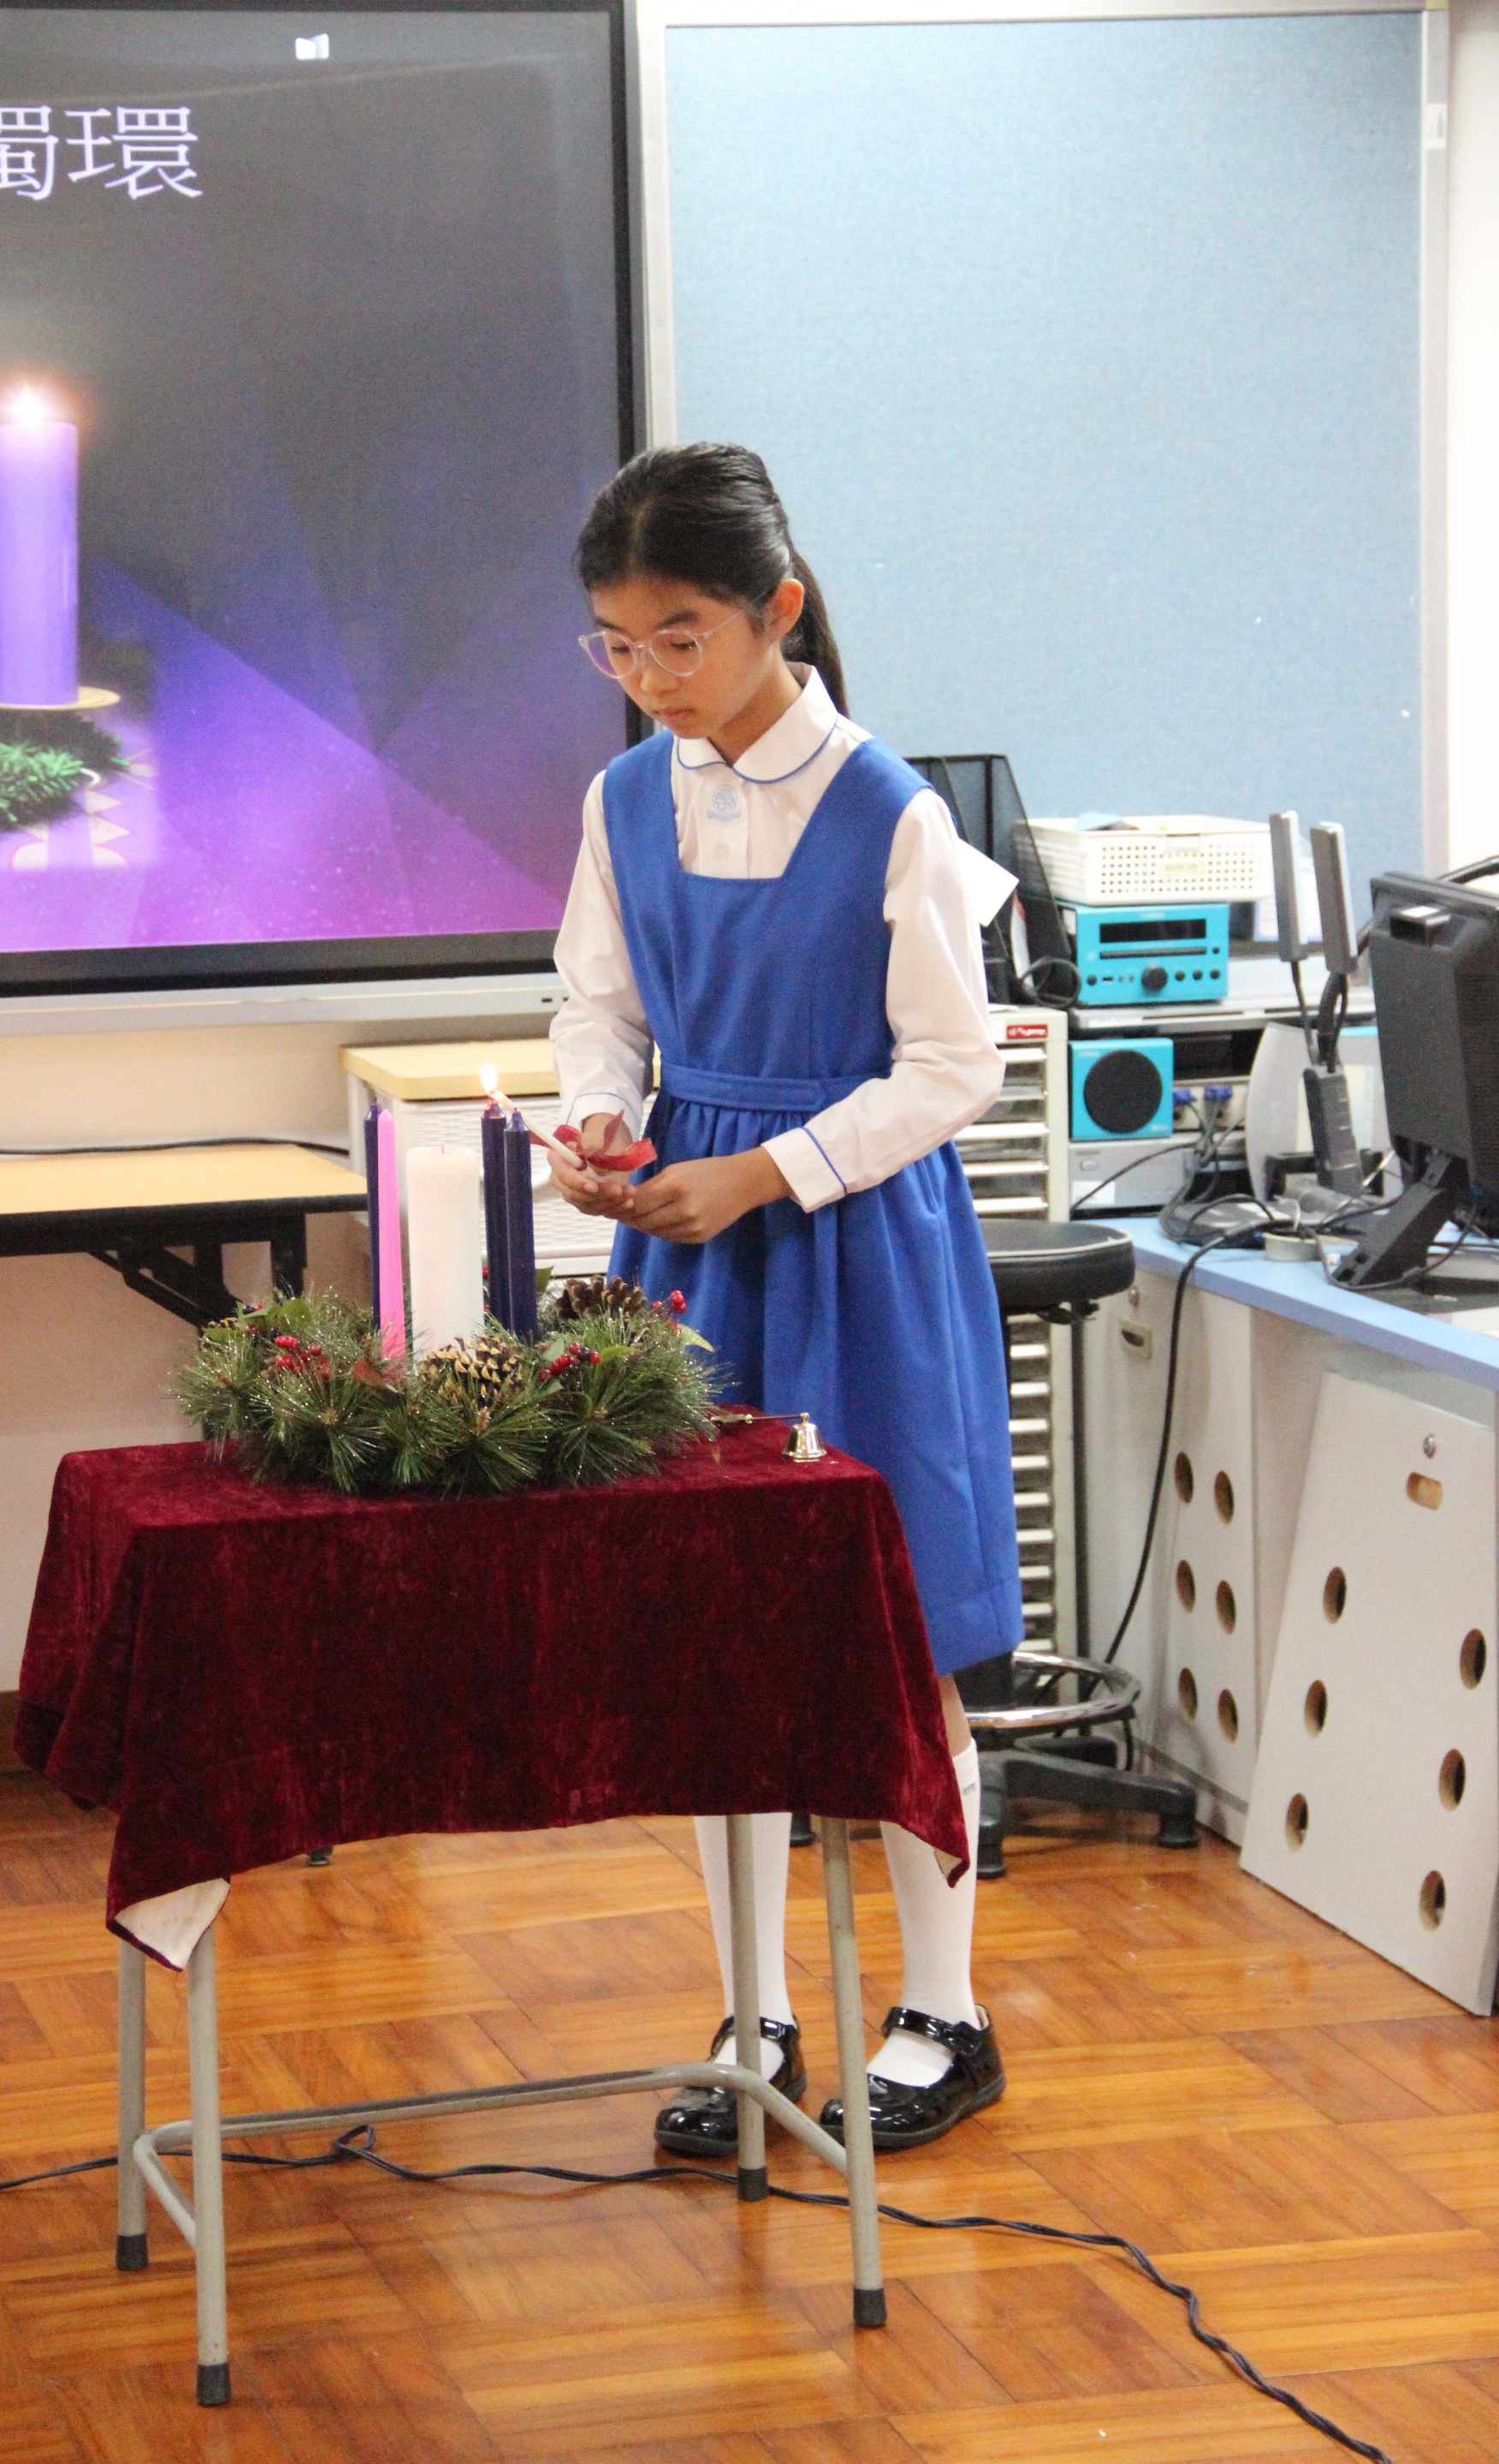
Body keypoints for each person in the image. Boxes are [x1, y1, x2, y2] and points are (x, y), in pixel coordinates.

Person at [548, 443, 1022, 2153]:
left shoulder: (892, 809)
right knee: (710, 1640)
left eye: (679, 638)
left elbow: (954, 1068)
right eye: (617, 645)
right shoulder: (623, 800)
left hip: (855, 1242)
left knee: (901, 1634)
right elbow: (599, 1007)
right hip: (688, 1247)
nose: (649, 677)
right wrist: (601, 1125)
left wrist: (764, 1170)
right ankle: (753, 2014)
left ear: (779, 613)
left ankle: (944, 2013)